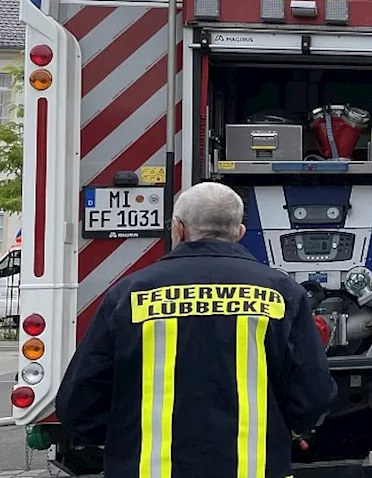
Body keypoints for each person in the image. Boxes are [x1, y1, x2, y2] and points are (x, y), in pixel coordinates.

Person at [55, 181, 337, 478]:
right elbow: (313, 396)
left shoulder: (128, 294)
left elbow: (77, 403)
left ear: (178, 229)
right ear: (239, 233)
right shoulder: (282, 294)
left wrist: (124, 439)